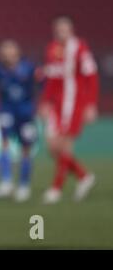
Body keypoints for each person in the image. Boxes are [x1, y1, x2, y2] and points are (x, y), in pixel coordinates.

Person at [40, 15, 98, 204]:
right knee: (52, 147)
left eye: (64, 29)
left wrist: (90, 103)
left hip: (72, 103)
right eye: (58, 29)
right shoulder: (51, 48)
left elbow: (92, 76)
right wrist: (45, 101)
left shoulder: (79, 48)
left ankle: (56, 189)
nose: (61, 32)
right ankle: (83, 175)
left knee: (64, 145)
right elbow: (51, 79)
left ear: (71, 30)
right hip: (56, 105)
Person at [0, 39, 38, 202]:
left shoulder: (29, 68)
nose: (7, 53)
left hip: (26, 113)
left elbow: (40, 85)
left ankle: (24, 185)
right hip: (7, 110)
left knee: (26, 149)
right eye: (4, 50)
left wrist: (44, 104)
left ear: (17, 52)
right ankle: (6, 181)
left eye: (10, 50)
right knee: (4, 143)